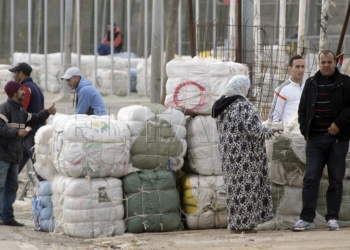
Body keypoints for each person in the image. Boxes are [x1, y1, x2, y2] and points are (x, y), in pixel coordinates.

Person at [292, 50, 350, 231]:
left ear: (335, 62)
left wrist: (338, 124)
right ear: (319, 63)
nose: (326, 65)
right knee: (311, 178)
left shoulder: (346, 83)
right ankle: (306, 218)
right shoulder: (311, 84)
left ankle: (332, 218)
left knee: (336, 180)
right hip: (315, 140)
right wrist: (305, 130)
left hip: (338, 140)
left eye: (329, 62)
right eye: (323, 62)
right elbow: (302, 110)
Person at [212, 75, 275, 234]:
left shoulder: (221, 107)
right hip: (246, 156)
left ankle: (235, 224)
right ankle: (246, 225)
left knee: (234, 190)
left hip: (228, 157)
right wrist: (270, 131)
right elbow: (255, 130)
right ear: (242, 88)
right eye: (247, 87)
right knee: (247, 190)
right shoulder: (243, 105)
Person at [0, 81, 56, 226]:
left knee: (11, 187)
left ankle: (7, 217)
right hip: (3, 155)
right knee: (0, 186)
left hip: (15, 156)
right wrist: (17, 132)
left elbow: (34, 118)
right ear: (13, 93)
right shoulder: (4, 109)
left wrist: (47, 112)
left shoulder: (20, 111)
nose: (24, 92)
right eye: (20, 90)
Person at [8, 62, 45, 177]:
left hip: (29, 133)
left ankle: (44, 190)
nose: (14, 76)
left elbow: (21, 112)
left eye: (15, 73)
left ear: (21, 73)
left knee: (39, 169)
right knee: (18, 163)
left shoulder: (25, 88)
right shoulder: (37, 88)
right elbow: (42, 111)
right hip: (36, 132)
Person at [268, 55, 305, 125]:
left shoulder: (310, 86)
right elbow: (274, 118)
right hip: (290, 133)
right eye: (297, 67)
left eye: (302, 66)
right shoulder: (282, 89)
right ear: (290, 68)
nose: (301, 70)